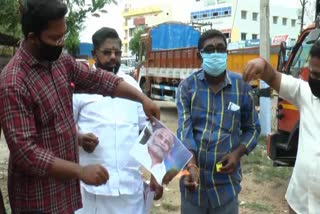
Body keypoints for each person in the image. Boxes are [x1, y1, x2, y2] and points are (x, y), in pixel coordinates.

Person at [0, 1, 160, 213]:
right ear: (32, 38)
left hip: (67, 193)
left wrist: (142, 99)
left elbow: (99, 80)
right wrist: (80, 171)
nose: (61, 43)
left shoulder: (60, 62)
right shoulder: (14, 82)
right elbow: (26, 153)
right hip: (38, 197)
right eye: (55, 38)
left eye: (64, 35)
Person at [73, 27, 163, 214]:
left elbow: (146, 132)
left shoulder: (131, 85)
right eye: (107, 52)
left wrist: (157, 172)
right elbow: (65, 130)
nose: (113, 57)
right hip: (93, 189)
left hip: (129, 188)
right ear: (94, 54)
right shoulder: (81, 88)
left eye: (117, 52)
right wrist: (79, 138)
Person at [176, 29, 261, 214]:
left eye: (220, 49)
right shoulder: (187, 87)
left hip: (226, 187)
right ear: (200, 56)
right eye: (209, 49)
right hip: (193, 186)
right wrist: (191, 164)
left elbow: (253, 128)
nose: (215, 53)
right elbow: (184, 130)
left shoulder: (241, 87)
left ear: (226, 53)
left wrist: (237, 154)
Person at [242, 40, 320, 214]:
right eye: (313, 74)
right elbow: (273, 77)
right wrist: (261, 64)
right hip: (300, 201)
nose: (314, 80)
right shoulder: (307, 94)